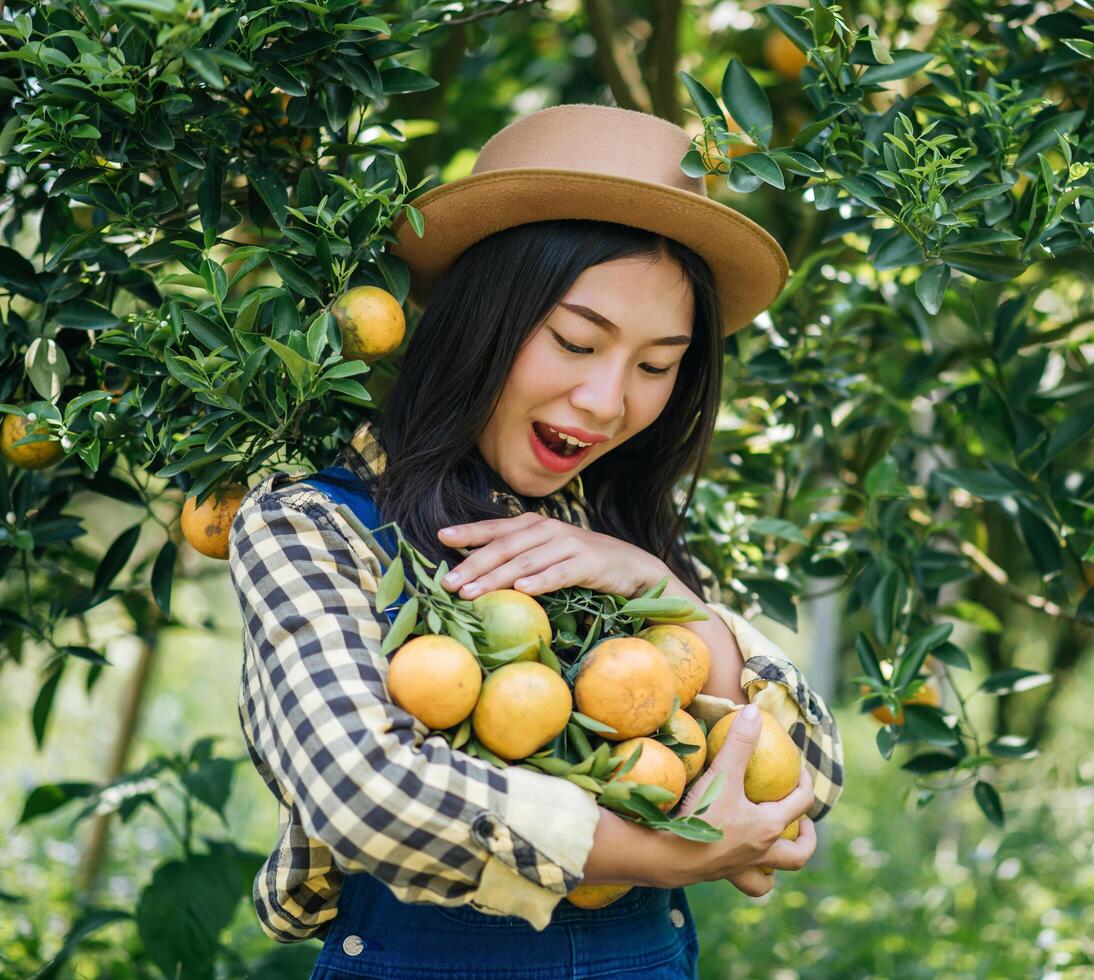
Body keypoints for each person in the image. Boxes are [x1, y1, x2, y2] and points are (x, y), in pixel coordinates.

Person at [228, 103, 845, 979]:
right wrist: (654, 855)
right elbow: (364, 791)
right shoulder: (315, 530)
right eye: (576, 341)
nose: (606, 400)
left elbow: (804, 781)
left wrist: (659, 589)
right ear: (481, 318)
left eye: (655, 365)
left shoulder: (617, 537)